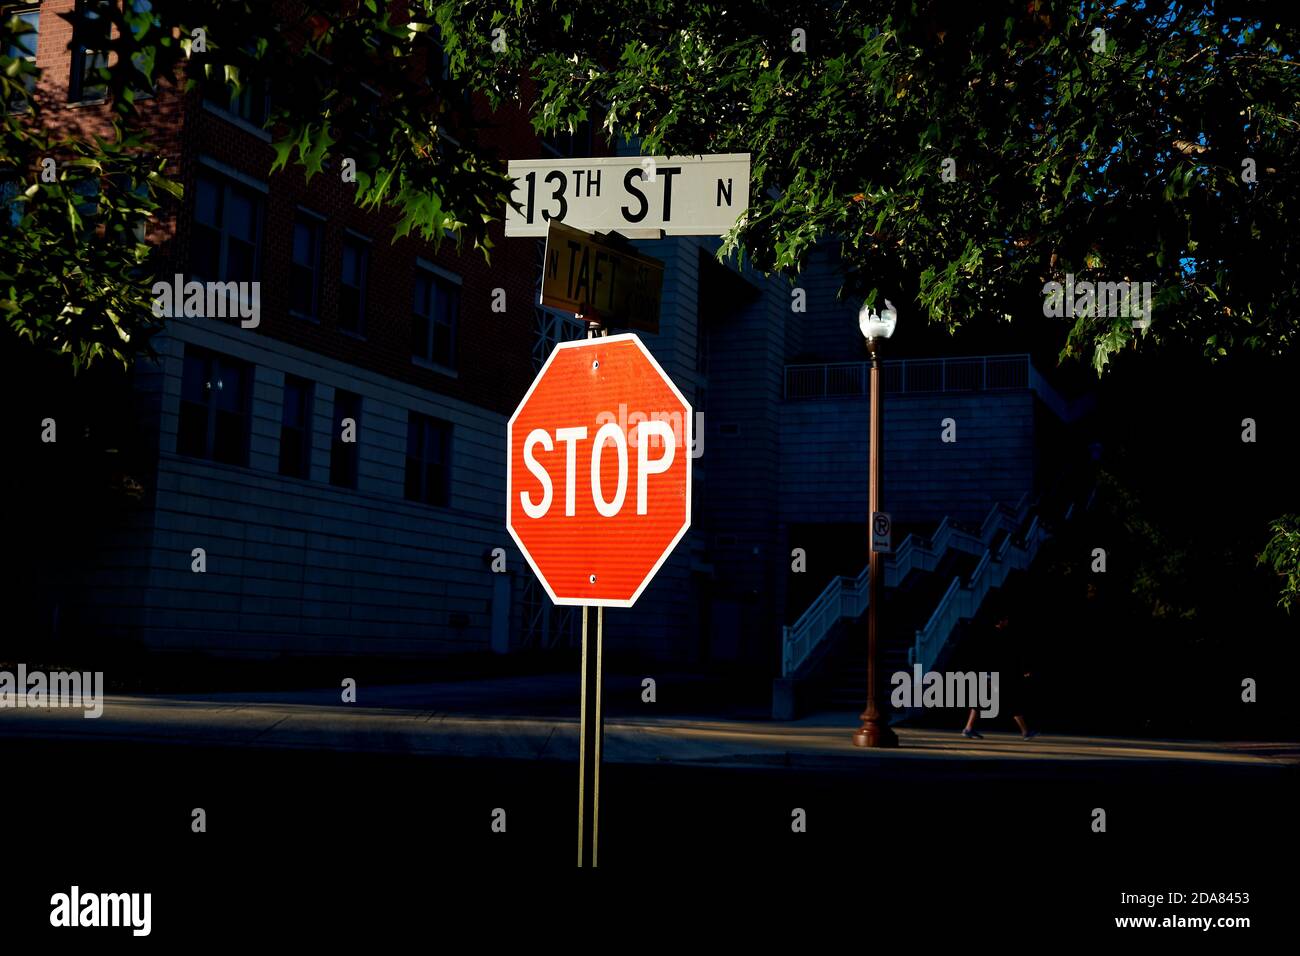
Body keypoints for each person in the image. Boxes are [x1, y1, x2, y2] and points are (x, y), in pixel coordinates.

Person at [961, 612, 1038, 740]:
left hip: (990, 674)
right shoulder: (1000, 635)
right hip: (994, 675)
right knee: (1012, 700)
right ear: (1001, 621)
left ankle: (968, 728)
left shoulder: (992, 635)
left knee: (983, 701)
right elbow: (1006, 658)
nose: (1008, 622)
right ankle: (1025, 732)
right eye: (1006, 619)